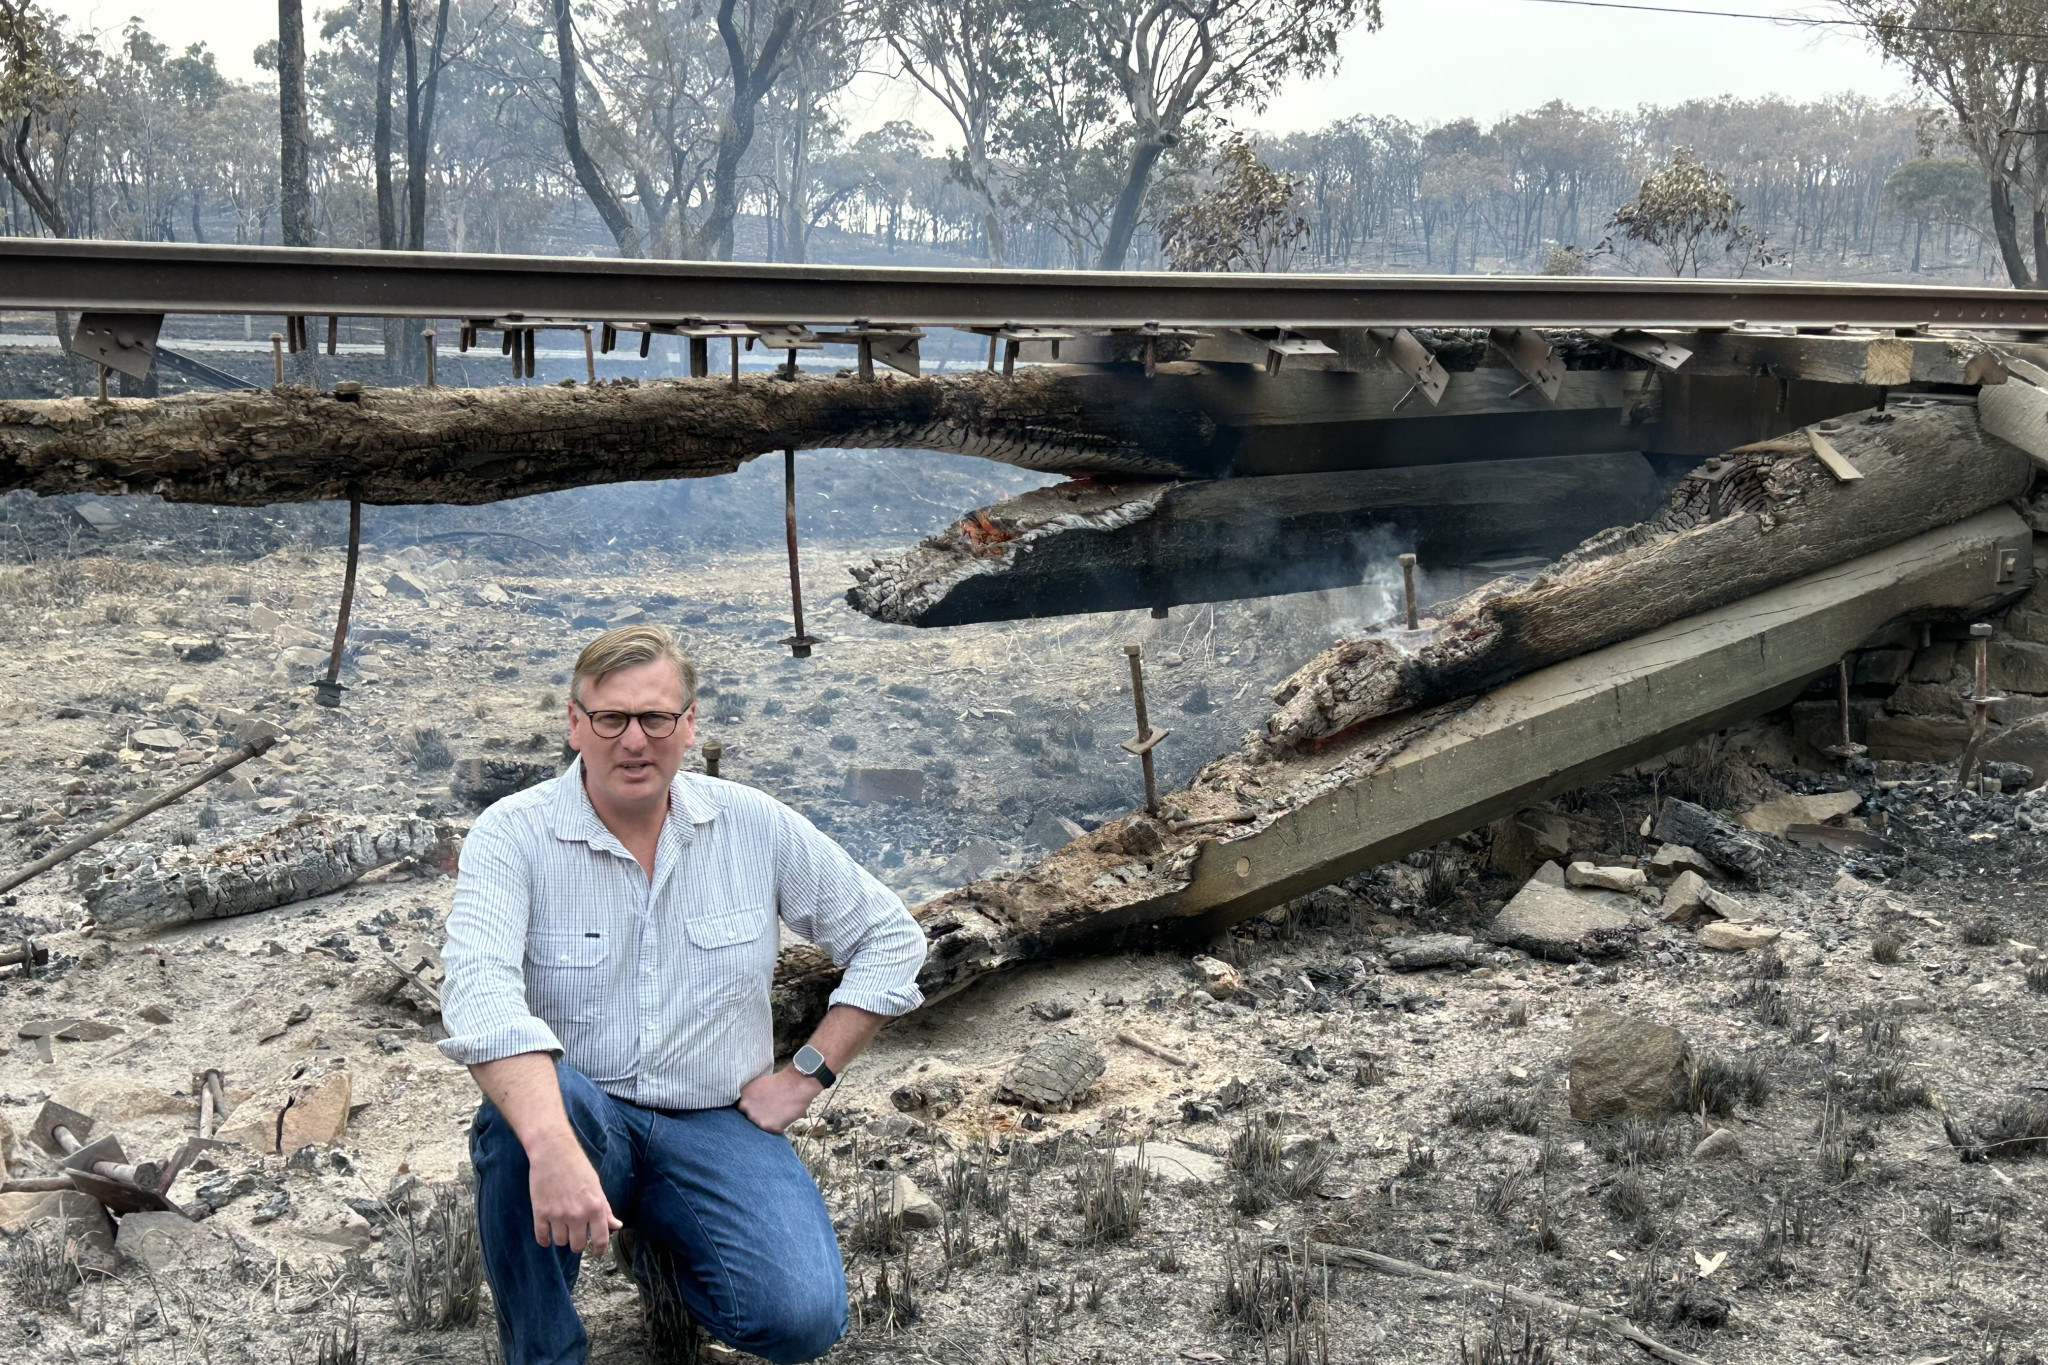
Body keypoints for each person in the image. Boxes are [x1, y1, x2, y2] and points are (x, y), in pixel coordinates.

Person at [439, 625, 927, 1365]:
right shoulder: (513, 835)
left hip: (713, 1120)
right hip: (583, 1116)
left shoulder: (751, 824)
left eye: (655, 718)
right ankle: (543, 1349)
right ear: (575, 723)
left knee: (801, 1320)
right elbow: (480, 994)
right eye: (611, 719)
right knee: (527, 1114)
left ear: (689, 724)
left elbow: (891, 937)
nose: (634, 741)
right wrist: (551, 1145)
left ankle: (662, 1254)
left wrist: (806, 1074)